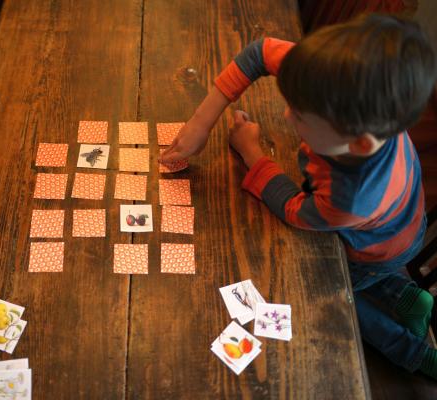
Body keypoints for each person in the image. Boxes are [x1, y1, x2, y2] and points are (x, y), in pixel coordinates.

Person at [160, 14, 437, 378]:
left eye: (301, 115)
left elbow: (294, 209)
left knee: (335, 294)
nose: (287, 114)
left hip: (377, 247)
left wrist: (251, 153)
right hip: (399, 219)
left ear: (357, 143)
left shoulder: (349, 199)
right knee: (362, 279)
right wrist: (202, 121)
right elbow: (259, 52)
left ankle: (413, 353)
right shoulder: (332, 79)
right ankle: (408, 298)